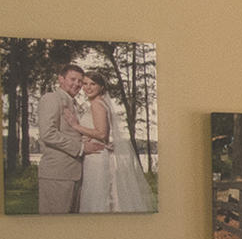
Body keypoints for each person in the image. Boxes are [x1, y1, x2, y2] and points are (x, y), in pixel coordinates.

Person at [71, 67, 155, 214]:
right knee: (104, 194)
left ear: (101, 87)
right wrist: (87, 135)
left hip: (96, 157)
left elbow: (102, 133)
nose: (87, 87)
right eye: (85, 84)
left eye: (93, 84)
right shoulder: (102, 103)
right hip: (99, 153)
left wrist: (76, 126)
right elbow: (101, 132)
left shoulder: (97, 104)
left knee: (97, 196)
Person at [33, 66, 102, 213]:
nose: (77, 84)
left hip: (74, 174)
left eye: (80, 81)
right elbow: (48, 133)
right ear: (61, 79)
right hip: (57, 175)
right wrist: (81, 148)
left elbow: (71, 132)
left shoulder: (74, 104)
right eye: (73, 79)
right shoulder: (51, 98)